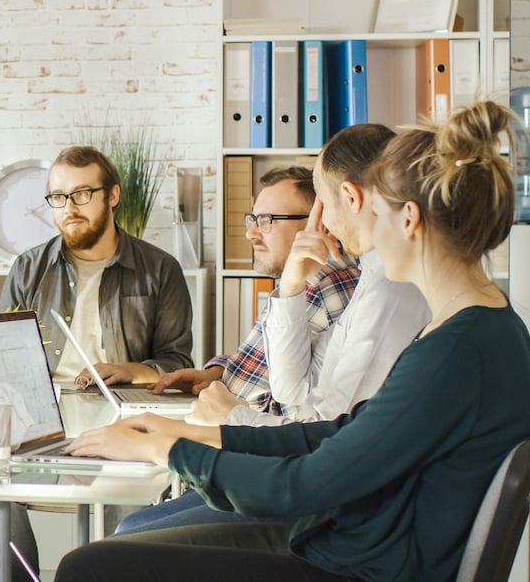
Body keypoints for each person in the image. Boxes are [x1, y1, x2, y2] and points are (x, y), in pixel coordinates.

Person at [58, 100, 530, 581]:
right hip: (346, 542)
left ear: (407, 220)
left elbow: (305, 485)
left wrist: (166, 452)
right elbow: (339, 433)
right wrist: (189, 434)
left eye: (376, 213)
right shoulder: (477, 329)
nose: (345, 229)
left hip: (360, 566)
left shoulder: (457, 352)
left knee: (88, 567)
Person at [116, 125, 430, 536]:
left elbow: (324, 434)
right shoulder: (371, 279)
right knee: (134, 526)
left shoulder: (382, 289)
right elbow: (295, 397)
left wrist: (230, 419)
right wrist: (291, 287)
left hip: (313, 501)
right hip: (285, 469)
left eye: (322, 200)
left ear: (349, 197)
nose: (322, 221)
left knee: (128, 536)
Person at [146, 166, 360, 414]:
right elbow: (268, 368)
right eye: (253, 219)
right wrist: (216, 374)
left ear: (318, 223)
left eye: (267, 220)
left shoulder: (321, 284)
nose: (250, 233)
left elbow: (288, 408)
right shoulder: (303, 279)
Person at [0, 145, 193, 386]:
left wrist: (130, 371)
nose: (69, 208)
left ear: (112, 196)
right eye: (59, 196)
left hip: (124, 407)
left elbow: (177, 362)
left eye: (82, 193)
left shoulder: (161, 269)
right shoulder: (26, 269)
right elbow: (4, 357)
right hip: (45, 408)